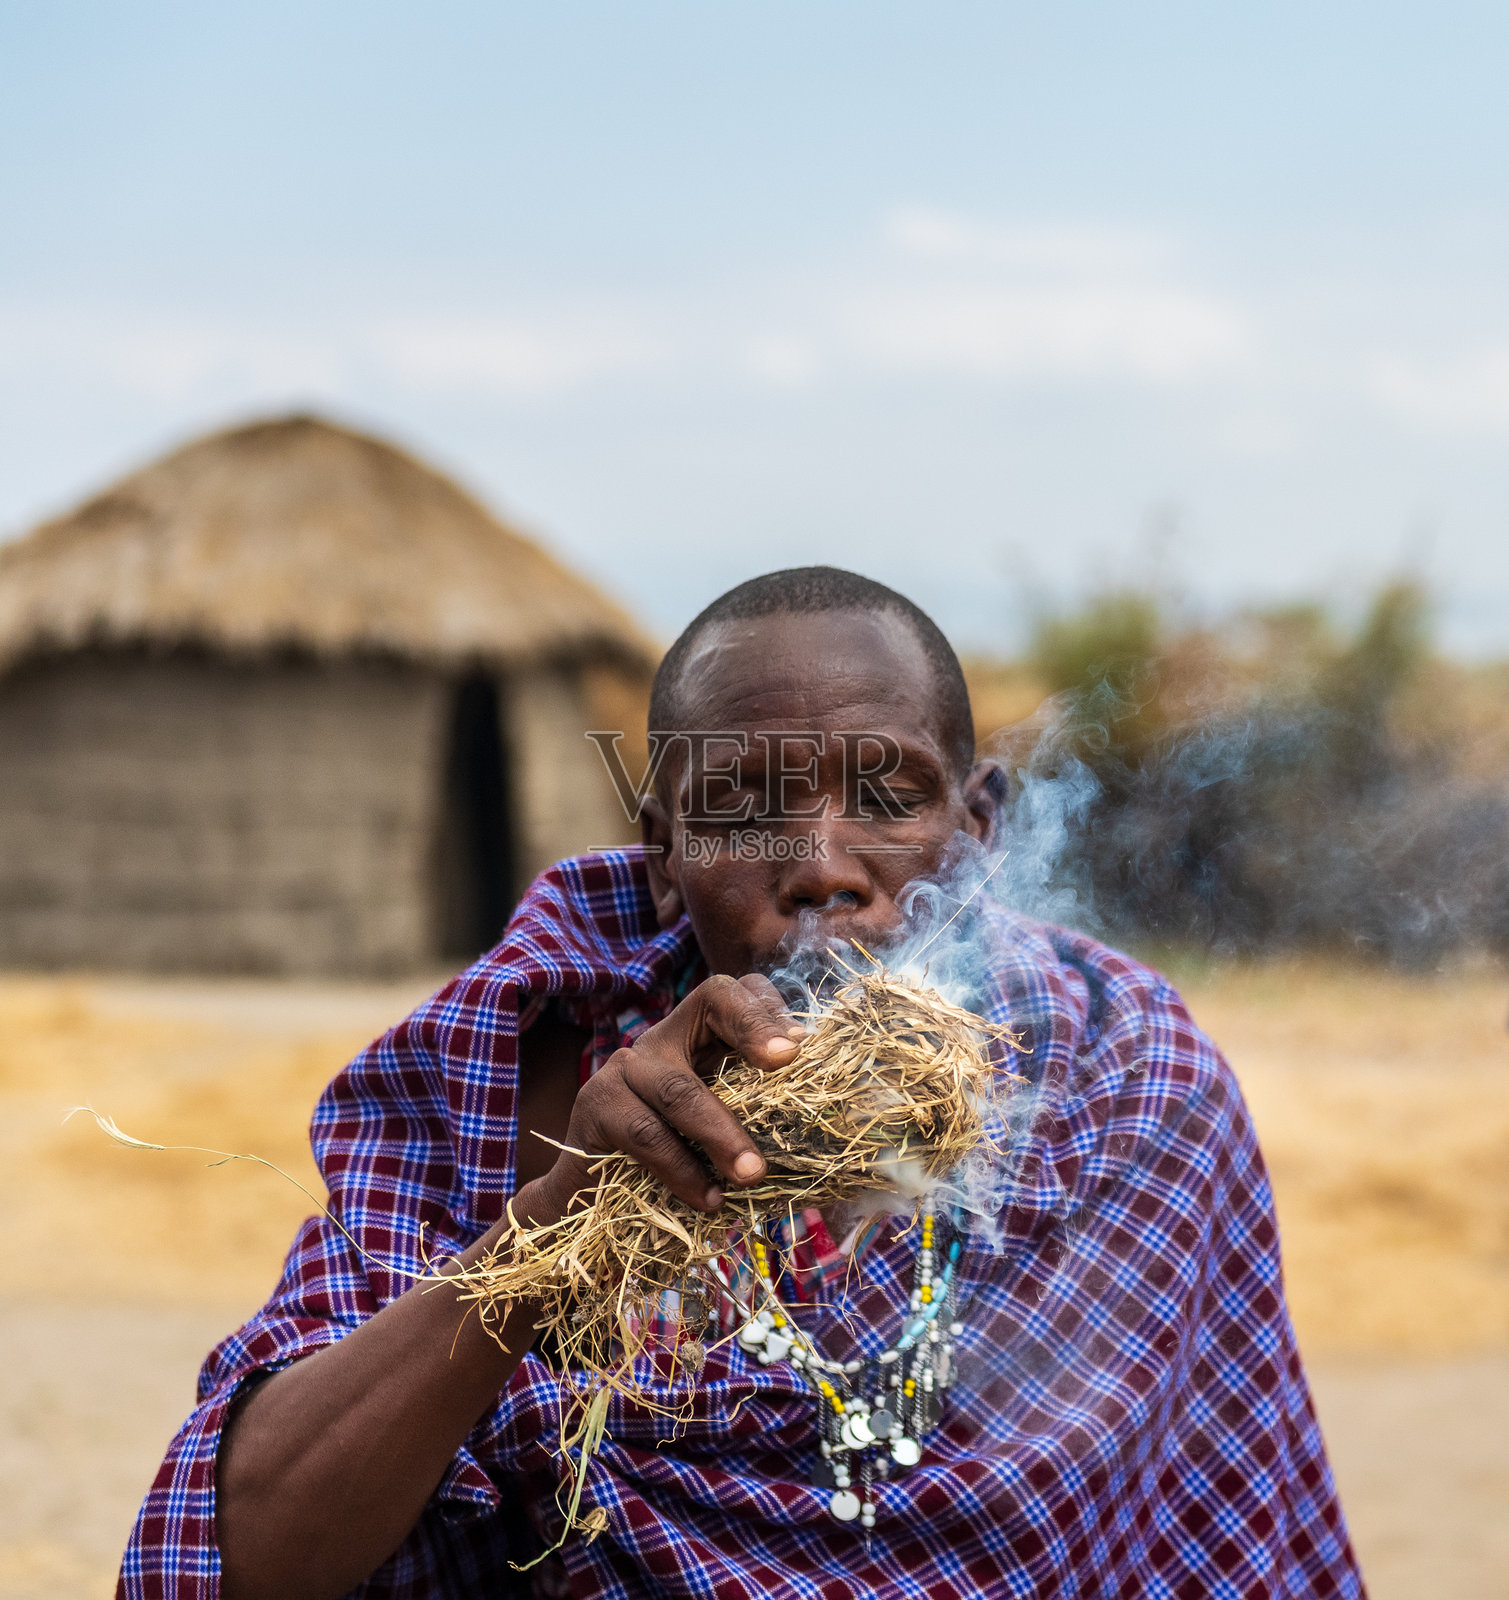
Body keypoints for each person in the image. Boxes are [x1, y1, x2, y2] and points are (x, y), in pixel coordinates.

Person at [120, 567, 1364, 1600]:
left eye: (887, 796)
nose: (820, 869)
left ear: (977, 826)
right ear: (662, 856)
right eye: (738, 810)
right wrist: (561, 1227)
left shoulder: (1124, 1074)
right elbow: (242, 1558)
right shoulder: (521, 1068)